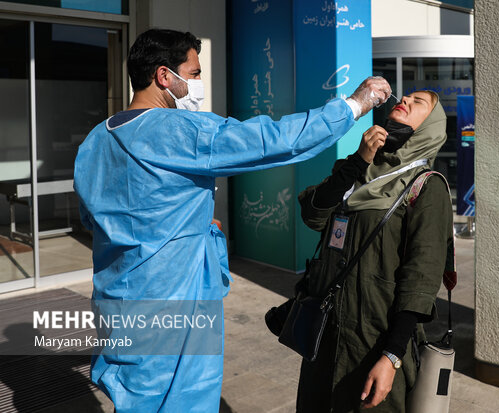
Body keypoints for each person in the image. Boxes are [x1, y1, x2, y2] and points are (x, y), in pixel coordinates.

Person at [73, 28, 391, 413]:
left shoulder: (96, 139)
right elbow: (272, 140)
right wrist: (354, 105)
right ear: (163, 76)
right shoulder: (178, 130)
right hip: (173, 311)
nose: (198, 83)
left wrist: (187, 228)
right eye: (193, 73)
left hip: (118, 302)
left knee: (133, 399)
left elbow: (96, 218)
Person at [295, 90, 452, 412]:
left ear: (429, 127)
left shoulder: (426, 186)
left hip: (374, 342)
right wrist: (357, 161)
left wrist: (391, 356)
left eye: (418, 102)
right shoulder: (360, 169)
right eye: (406, 96)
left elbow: (420, 278)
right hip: (325, 336)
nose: (405, 99)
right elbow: (313, 216)